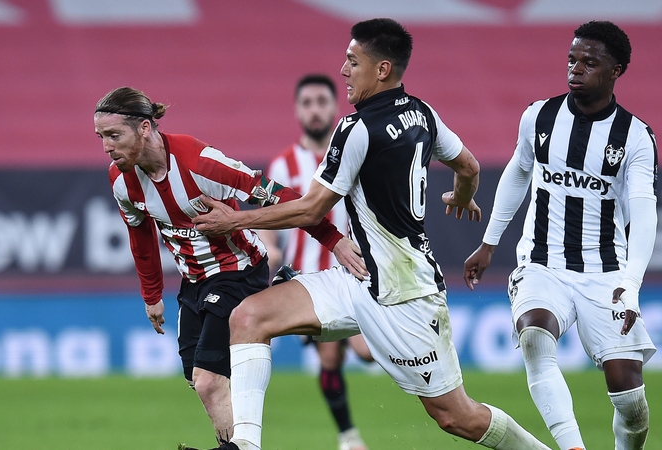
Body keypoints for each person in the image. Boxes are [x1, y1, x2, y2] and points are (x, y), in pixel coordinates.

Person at [181, 18, 551, 450]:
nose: (343, 70)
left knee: (457, 417)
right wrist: (461, 195)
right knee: (247, 317)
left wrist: (234, 221)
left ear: (382, 69)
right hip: (359, 277)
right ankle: (244, 446)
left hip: (405, 294)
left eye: (352, 61)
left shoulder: (355, 128)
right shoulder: (424, 113)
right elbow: (468, 166)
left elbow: (312, 208)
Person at [94, 86, 361, 446]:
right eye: (101, 137)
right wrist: (151, 294)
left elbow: (279, 195)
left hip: (238, 271)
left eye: (114, 135)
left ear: (144, 128)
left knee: (209, 379)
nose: (107, 147)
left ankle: (276, 304)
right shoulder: (121, 182)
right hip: (193, 283)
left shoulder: (199, 162)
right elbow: (139, 234)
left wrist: (334, 240)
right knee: (200, 379)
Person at [463, 20, 657, 450]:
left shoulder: (635, 137)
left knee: (630, 402)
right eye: (572, 60)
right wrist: (490, 242)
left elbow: (644, 211)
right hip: (541, 262)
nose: (576, 69)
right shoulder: (539, 116)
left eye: (589, 62)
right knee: (534, 336)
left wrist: (630, 283)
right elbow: (517, 172)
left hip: (605, 273)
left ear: (616, 70)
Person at [256, 73, 374, 450]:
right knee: (329, 355)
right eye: (307, 103)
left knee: (368, 355)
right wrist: (269, 251)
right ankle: (349, 437)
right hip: (308, 280)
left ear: (335, 107)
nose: (315, 110)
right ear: (297, 111)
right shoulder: (282, 166)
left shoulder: (354, 156)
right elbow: (268, 226)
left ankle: (349, 435)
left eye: (322, 102)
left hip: (355, 272)